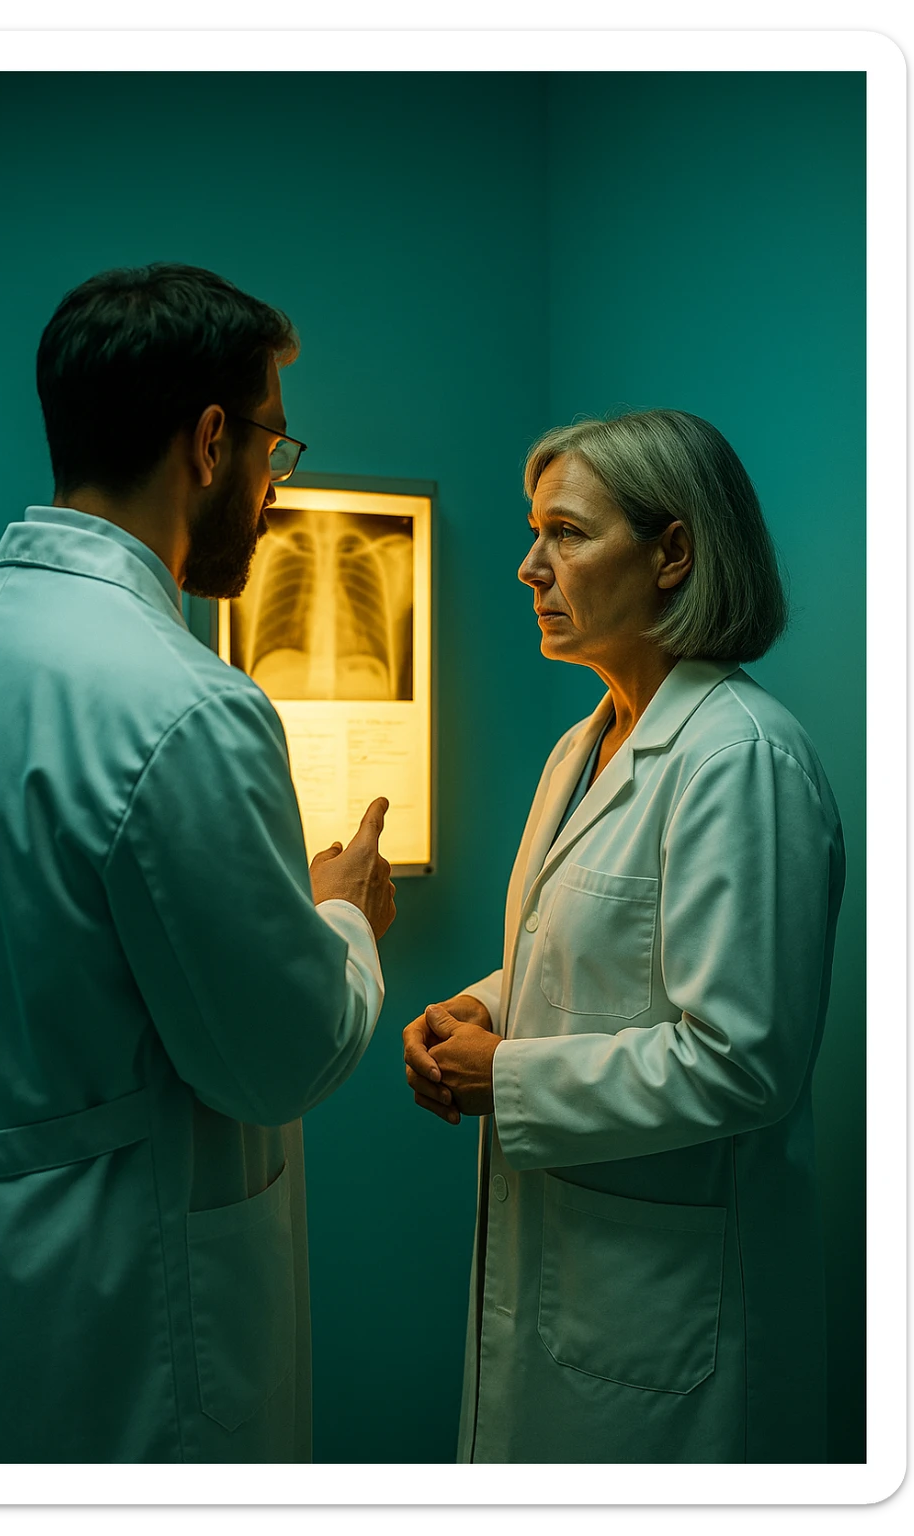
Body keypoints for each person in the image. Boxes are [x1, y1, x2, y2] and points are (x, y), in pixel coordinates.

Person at [0, 263, 395, 1464]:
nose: (270, 492)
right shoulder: (183, 703)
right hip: (125, 1318)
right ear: (209, 442)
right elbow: (276, 1054)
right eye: (272, 452)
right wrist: (339, 918)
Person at [404, 410, 845, 1464]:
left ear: (673, 553)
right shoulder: (588, 742)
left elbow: (742, 1061)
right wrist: (483, 1007)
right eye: (533, 533)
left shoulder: (740, 758)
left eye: (565, 534)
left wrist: (504, 1078)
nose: (528, 568)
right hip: (571, 1276)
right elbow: (586, 958)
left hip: (663, 1317)